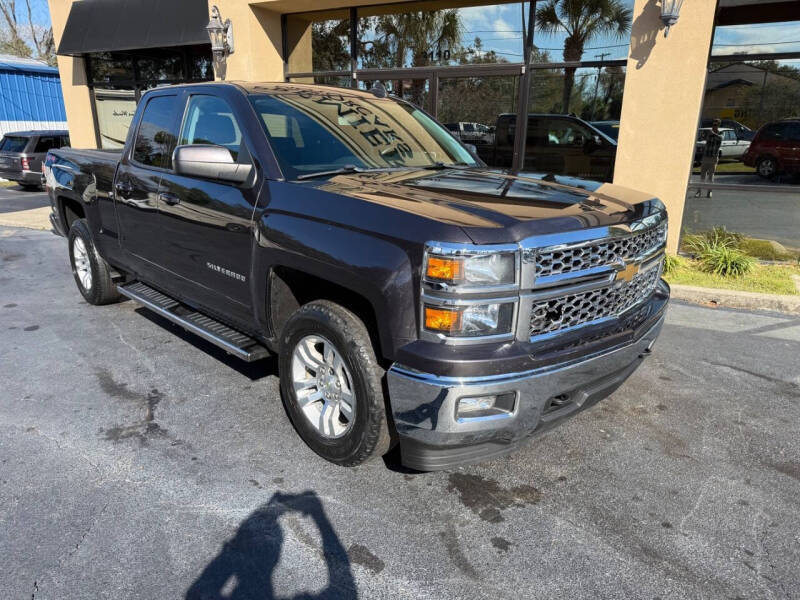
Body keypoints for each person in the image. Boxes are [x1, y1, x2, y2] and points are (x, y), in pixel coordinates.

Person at [696, 118, 722, 198]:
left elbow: (720, 139)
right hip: (706, 156)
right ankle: (698, 191)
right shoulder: (709, 133)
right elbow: (703, 138)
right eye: (713, 124)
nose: (714, 126)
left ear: (718, 125)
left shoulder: (720, 133)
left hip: (713, 157)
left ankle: (709, 192)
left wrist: (713, 133)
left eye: (716, 125)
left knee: (711, 176)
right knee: (702, 176)